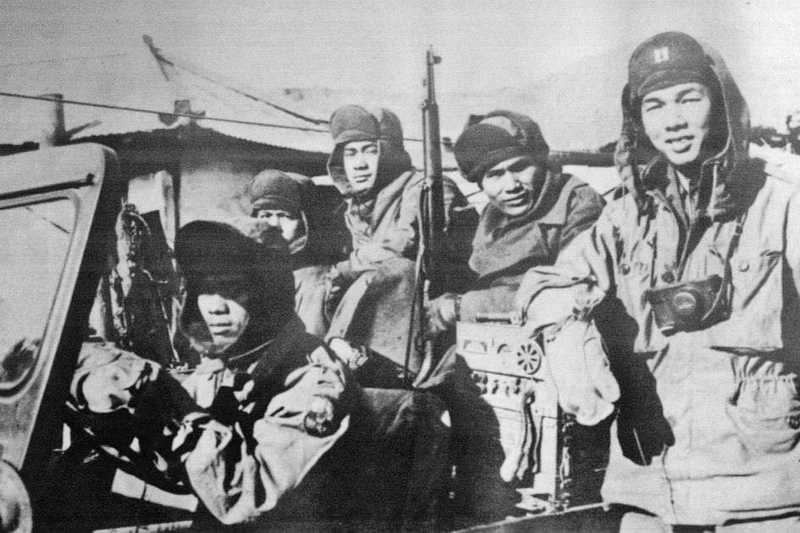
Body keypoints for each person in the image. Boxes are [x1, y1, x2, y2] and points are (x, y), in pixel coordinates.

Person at [514, 31, 800, 531]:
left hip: (763, 487)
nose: (674, 120)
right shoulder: (626, 217)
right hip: (649, 482)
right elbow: (549, 284)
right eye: (655, 105)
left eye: (690, 98)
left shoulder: (782, 204)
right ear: (638, 122)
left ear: (723, 106)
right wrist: (566, 336)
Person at [324, 105, 475, 373]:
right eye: (350, 153)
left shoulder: (425, 187)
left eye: (370, 150)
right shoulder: (357, 207)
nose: (359, 163)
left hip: (435, 318)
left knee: (395, 269)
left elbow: (404, 245)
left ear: (390, 152)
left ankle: (343, 348)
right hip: (386, 323)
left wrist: (346, 267)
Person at [425, 110, 604, 333]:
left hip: (556, 335)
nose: (511, 186)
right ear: (480, 184)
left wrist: (461, 306)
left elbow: (571, 290)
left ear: (541, 163)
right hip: (495, 330)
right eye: (495, 175)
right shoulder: (493, 215)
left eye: (519, 168)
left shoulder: (577, 201)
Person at [246, 169, 348, 337]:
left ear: (305, 221)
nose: (273, 224)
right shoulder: (253, 268)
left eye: (284, 215)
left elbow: (310, 341)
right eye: (265, 215)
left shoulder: (316, 279)